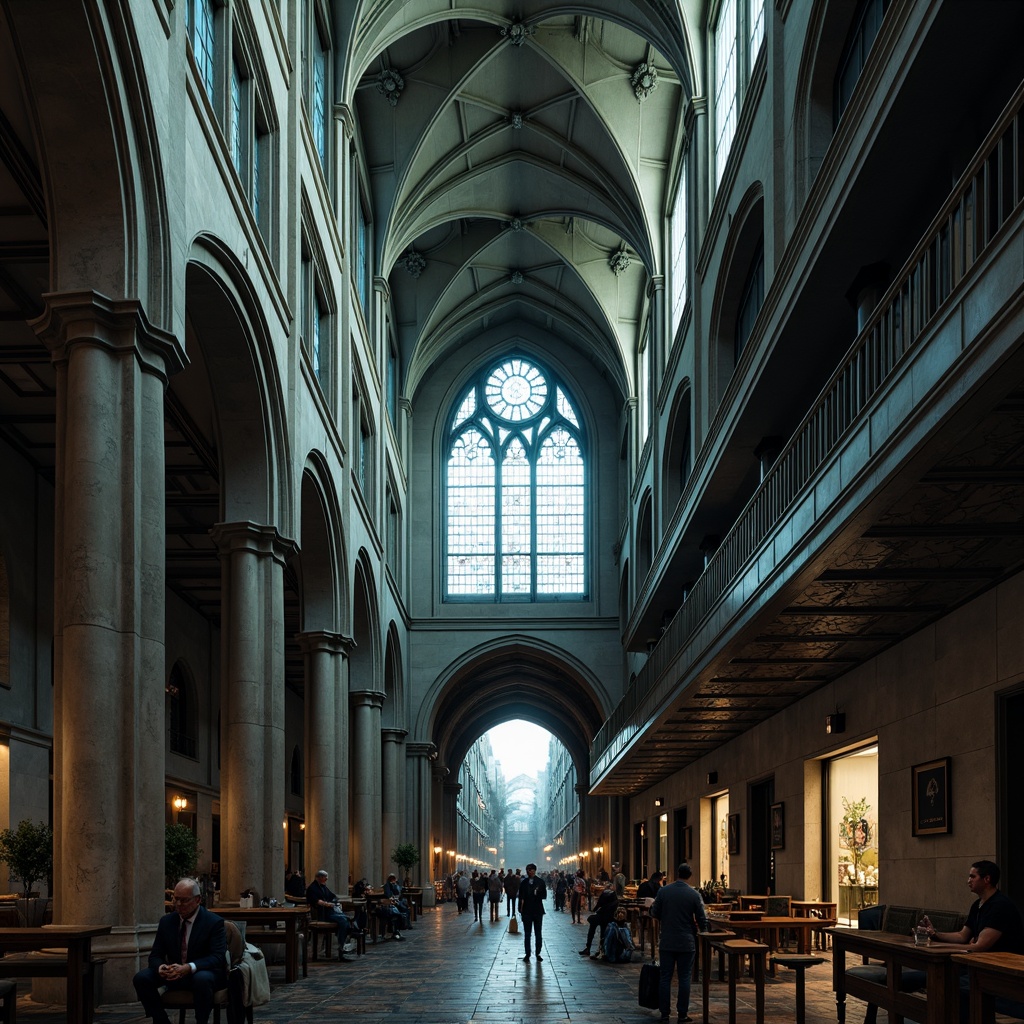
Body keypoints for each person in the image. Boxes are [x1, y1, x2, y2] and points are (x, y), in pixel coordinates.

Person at [921, 860, 1024, 1022]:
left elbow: (979, 947)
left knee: (953, 987)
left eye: (972, 876)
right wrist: (935, 935)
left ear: (987, 879)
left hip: (1001, 971)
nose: (968, 880)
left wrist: (938, 945)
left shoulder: (1000, 906)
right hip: (979, 966)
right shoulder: (978, 904)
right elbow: (963, 936)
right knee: (938, 982)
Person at [133, 877, 227, 1024]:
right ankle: (161, 1020)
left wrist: (189, 967)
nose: (178, 904)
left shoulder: (213, 922)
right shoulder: (167, 921)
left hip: (203, 972)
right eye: (175, 899)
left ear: (197, 900)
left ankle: (201, 1021)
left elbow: (217, 957)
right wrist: (161, 967)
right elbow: (155, 955)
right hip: (175, 972)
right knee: (141, 978)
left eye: (184, 900)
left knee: (201, 979)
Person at [650, 862, 708, 1024]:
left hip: (667, 940)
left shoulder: (663, 891)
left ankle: (665, 1014)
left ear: (677, 874)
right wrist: (704, 931)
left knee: (665, 977)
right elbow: (702, 918)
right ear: (689, 876)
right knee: (684, 978)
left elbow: (655, 912)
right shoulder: (694, 894)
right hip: (686, 941)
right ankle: (682, 1014)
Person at [306, 869, 358, 959]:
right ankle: (342, 945)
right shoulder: (312, 888)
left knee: (347, 919)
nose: (326, 879)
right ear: (320, 877)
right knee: (343, 920)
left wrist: (335, 902)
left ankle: (345, 942)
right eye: (325, 877)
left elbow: (332, 896)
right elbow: (316, 901)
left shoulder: (323, 887)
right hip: (322, 913)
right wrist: (327, 904)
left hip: (329, 911)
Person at [578, 879, 618, 958]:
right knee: (603, 932)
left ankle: (588, 948)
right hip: (609, 917)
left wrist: (594, 911)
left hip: (600, 916)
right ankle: (602, 950)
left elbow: (598, 906)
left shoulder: (604, 894)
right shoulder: (614, 895)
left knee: (592, 929)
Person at [517, 862, 547, 961]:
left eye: (531, 870)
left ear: (534, 871)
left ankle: (538, 953)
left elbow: (544, 896)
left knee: (538, 933)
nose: (529, 872)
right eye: (528, 870)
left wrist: (537, 893)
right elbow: (521, 897)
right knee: (527, 933)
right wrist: (520, 909)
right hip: (526, 910)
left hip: (537, 910)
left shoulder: (540, 882)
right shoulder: (524, 883)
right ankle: (528, 953)